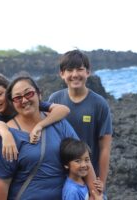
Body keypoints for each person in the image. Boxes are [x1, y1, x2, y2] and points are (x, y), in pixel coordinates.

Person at [0, 76, 97, 200]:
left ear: (39, 94)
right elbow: (2, 183)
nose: (24, 100)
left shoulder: (59, 123)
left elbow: (82, 157)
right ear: (12, 103)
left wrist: (95, 194)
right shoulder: (9, 136)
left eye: (29, 93)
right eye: (17, 98)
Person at [48, 50, 113, 193]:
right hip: (60, 178)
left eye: (80, 69)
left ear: (88, 72)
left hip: (89, 178)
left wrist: (99, 184)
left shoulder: (99, 104)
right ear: (62, 74)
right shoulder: (54, 100)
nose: (75, 74)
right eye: (69, 70)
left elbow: (105, 148)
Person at [0, 73, 70, 161]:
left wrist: (40, 125)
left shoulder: (25, 104)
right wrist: (6, 135)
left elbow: (63, 109)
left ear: (10, 93)